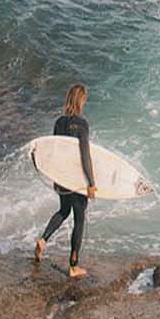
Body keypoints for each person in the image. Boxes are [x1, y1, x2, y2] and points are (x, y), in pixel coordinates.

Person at [33, 82, 97, 277]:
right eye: (84, 100)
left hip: (61, 176)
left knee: (63, 210)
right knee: (79, 219)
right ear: (80, 101)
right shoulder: (82, 124)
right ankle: (73, 266)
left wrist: (55, 176)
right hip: (76, 178)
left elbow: (55, 152)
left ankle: (43, 239)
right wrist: (91, 183)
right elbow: (85, 155)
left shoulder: (59, 123)